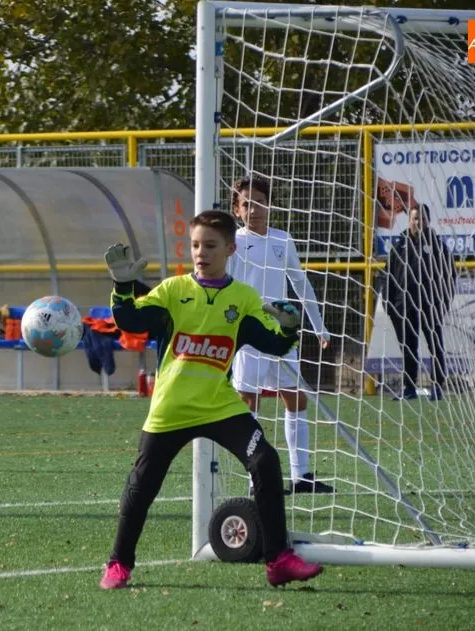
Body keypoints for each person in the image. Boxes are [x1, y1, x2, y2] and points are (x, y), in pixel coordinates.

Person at [98, 210, 324, 590]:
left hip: (221, 404)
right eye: (196, 245)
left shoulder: (243, 298)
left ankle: (278, 559)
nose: (201, 253)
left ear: (230, 249)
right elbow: (130, 322)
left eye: (211, 245)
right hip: (172, 407)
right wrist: (122, 288)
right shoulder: (172, 291)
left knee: (265, 461)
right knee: (142, 485)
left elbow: (272, 343)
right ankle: (119, 564)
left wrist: (289, 328)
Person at [227, 175, 333, 494]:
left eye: (260, 202)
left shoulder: (282, 240)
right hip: (248, 333)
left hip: (281, 331)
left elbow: (300, 283)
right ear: (238, 209)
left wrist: (319, 326)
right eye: (248, 204)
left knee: (296, 397)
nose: (255, 209)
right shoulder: (232, 242)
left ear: (269, 205)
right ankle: (254, 479)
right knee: (249, 403)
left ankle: (301, 476)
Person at [381, 203, 456, 401]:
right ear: (409, 221)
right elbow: (388, 276)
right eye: (415, 218)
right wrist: (389, 305)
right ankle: (409, 388)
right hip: (404, 307)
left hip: (430, 306)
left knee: (435, 346)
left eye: (422, 219)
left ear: (428, 221)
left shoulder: (438, 247)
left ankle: (437, 387)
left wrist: (443, 303)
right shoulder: (399, 246)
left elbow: (449, 276)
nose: (418, 222)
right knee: (408, 348)